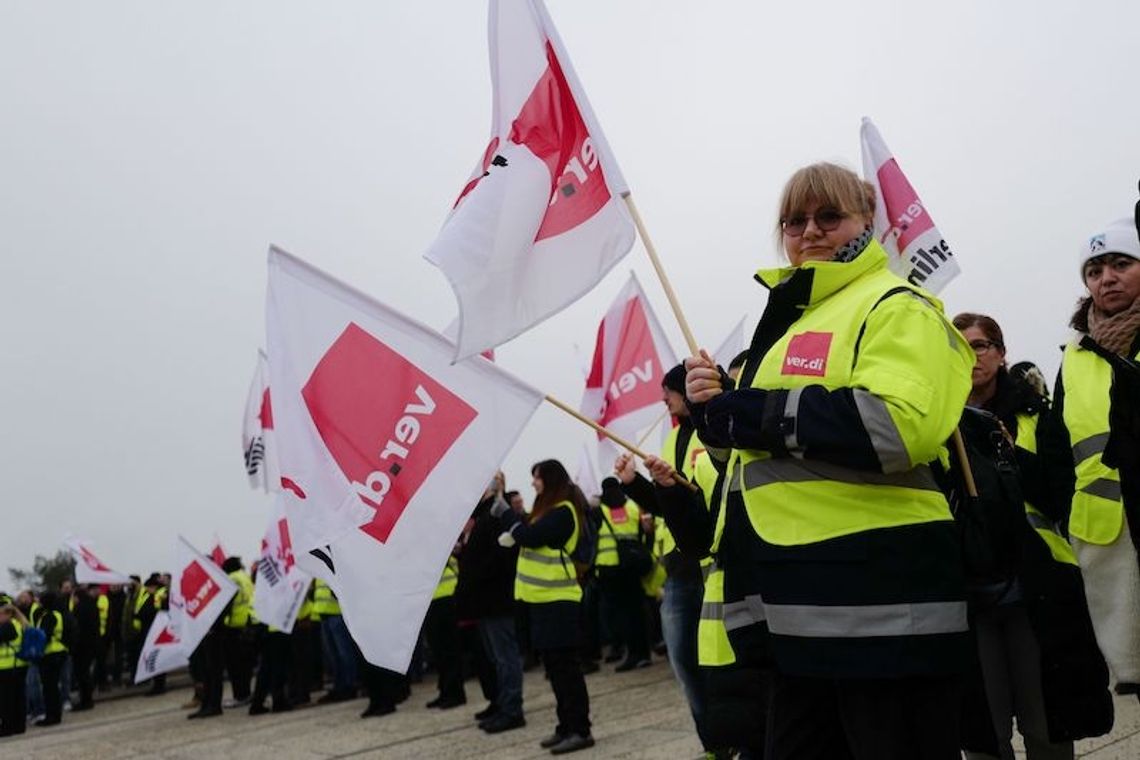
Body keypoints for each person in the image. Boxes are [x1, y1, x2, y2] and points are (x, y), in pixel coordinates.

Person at [684, 161, 975, 759]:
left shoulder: (897, 304)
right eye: (794, 221)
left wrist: (759, 414)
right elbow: (769, 465)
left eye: (829, 217)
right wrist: (717, 420)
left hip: (880, 610)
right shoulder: (793, 324)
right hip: (799, 611)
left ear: (867, 221)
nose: (809, 231)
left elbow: (899, 428)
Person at [953, 313, 1112, 760]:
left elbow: (1061, 495)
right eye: (959, 348)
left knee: (1046, 728)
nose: (971, 357)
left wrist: (1009, 455)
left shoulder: (1036, 417)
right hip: (971, 600)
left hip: (1034, 592)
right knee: (985, 737)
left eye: (980, 346)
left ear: (1001, 353)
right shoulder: (934, 424)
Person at [1041, 216, 1140, 699]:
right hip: (1105, 534)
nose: (1107, 278)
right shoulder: (1075, 356)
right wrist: (1067, 507)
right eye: (1095, 270)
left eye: (1121, 264)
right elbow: (1061, 448)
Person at [495, 460, 593, 754]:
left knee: (567, 671)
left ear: (549, 479)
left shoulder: (564, 512)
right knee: (556, 670)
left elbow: (530, 537)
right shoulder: (548, 511)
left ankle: (580, 729)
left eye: (536, 478)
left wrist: (507, 516)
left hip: (558, 603)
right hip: (542, 602)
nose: (534, 483)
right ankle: (565, 726)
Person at [455, 475, 526, 734]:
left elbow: (501, 556)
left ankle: (512, 709)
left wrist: (476, 575)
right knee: (496, 658)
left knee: (506, 658)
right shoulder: (482, 516)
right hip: (483, 601)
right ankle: (499, 703)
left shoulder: (497, 515)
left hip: (496, 599)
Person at [594, 477, 651, 672]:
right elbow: (644, 532)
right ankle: (644, 652)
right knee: (637, 611)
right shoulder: (633, 506)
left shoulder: (599, 510)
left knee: (620, 615)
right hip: (632, 565)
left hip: (610, 569)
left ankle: (631, 653)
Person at [220, 557, 254, 707]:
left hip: (234, 626)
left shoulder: (231, 579)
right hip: (248, 622)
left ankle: (240, 696)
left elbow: (227, 602)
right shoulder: (245, 578)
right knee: (245, 665)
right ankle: (246, 694)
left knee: (235, 666)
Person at [32, 591, 69, 727]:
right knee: (52, 687)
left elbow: (45, 635)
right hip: (56, 652)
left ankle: (52, 716)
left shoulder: (49, 616)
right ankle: (54, 715)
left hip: (50, 654)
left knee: (50, 687)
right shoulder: (56, 614)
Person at [0, 596, 30, 737]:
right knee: (18, 697)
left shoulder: (8, 626)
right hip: (18, 665)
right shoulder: (19, 624)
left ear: (7, 614)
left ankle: (7, 727)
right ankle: (19, 726)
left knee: (7, 699)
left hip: (8, 666)